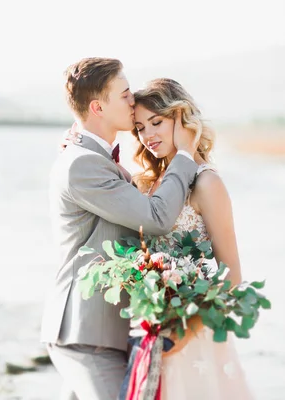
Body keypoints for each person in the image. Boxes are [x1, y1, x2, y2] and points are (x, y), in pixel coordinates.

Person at [40, 58, 199, 400]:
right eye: (125, 94)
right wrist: (185, 156)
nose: (133, 100)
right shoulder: (81, 163)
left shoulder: (91, 156)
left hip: (102, 333)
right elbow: (156, 217)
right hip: (86, 334)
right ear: (98, 107)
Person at [131, 78, 254, 400]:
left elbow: (232, 277)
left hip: (189, 336)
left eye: (157, 122)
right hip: (146, 327)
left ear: (183, 119)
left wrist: (182, 334)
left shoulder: (207, 184)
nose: (148, 136)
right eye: (140, 127)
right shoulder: (147, 183)